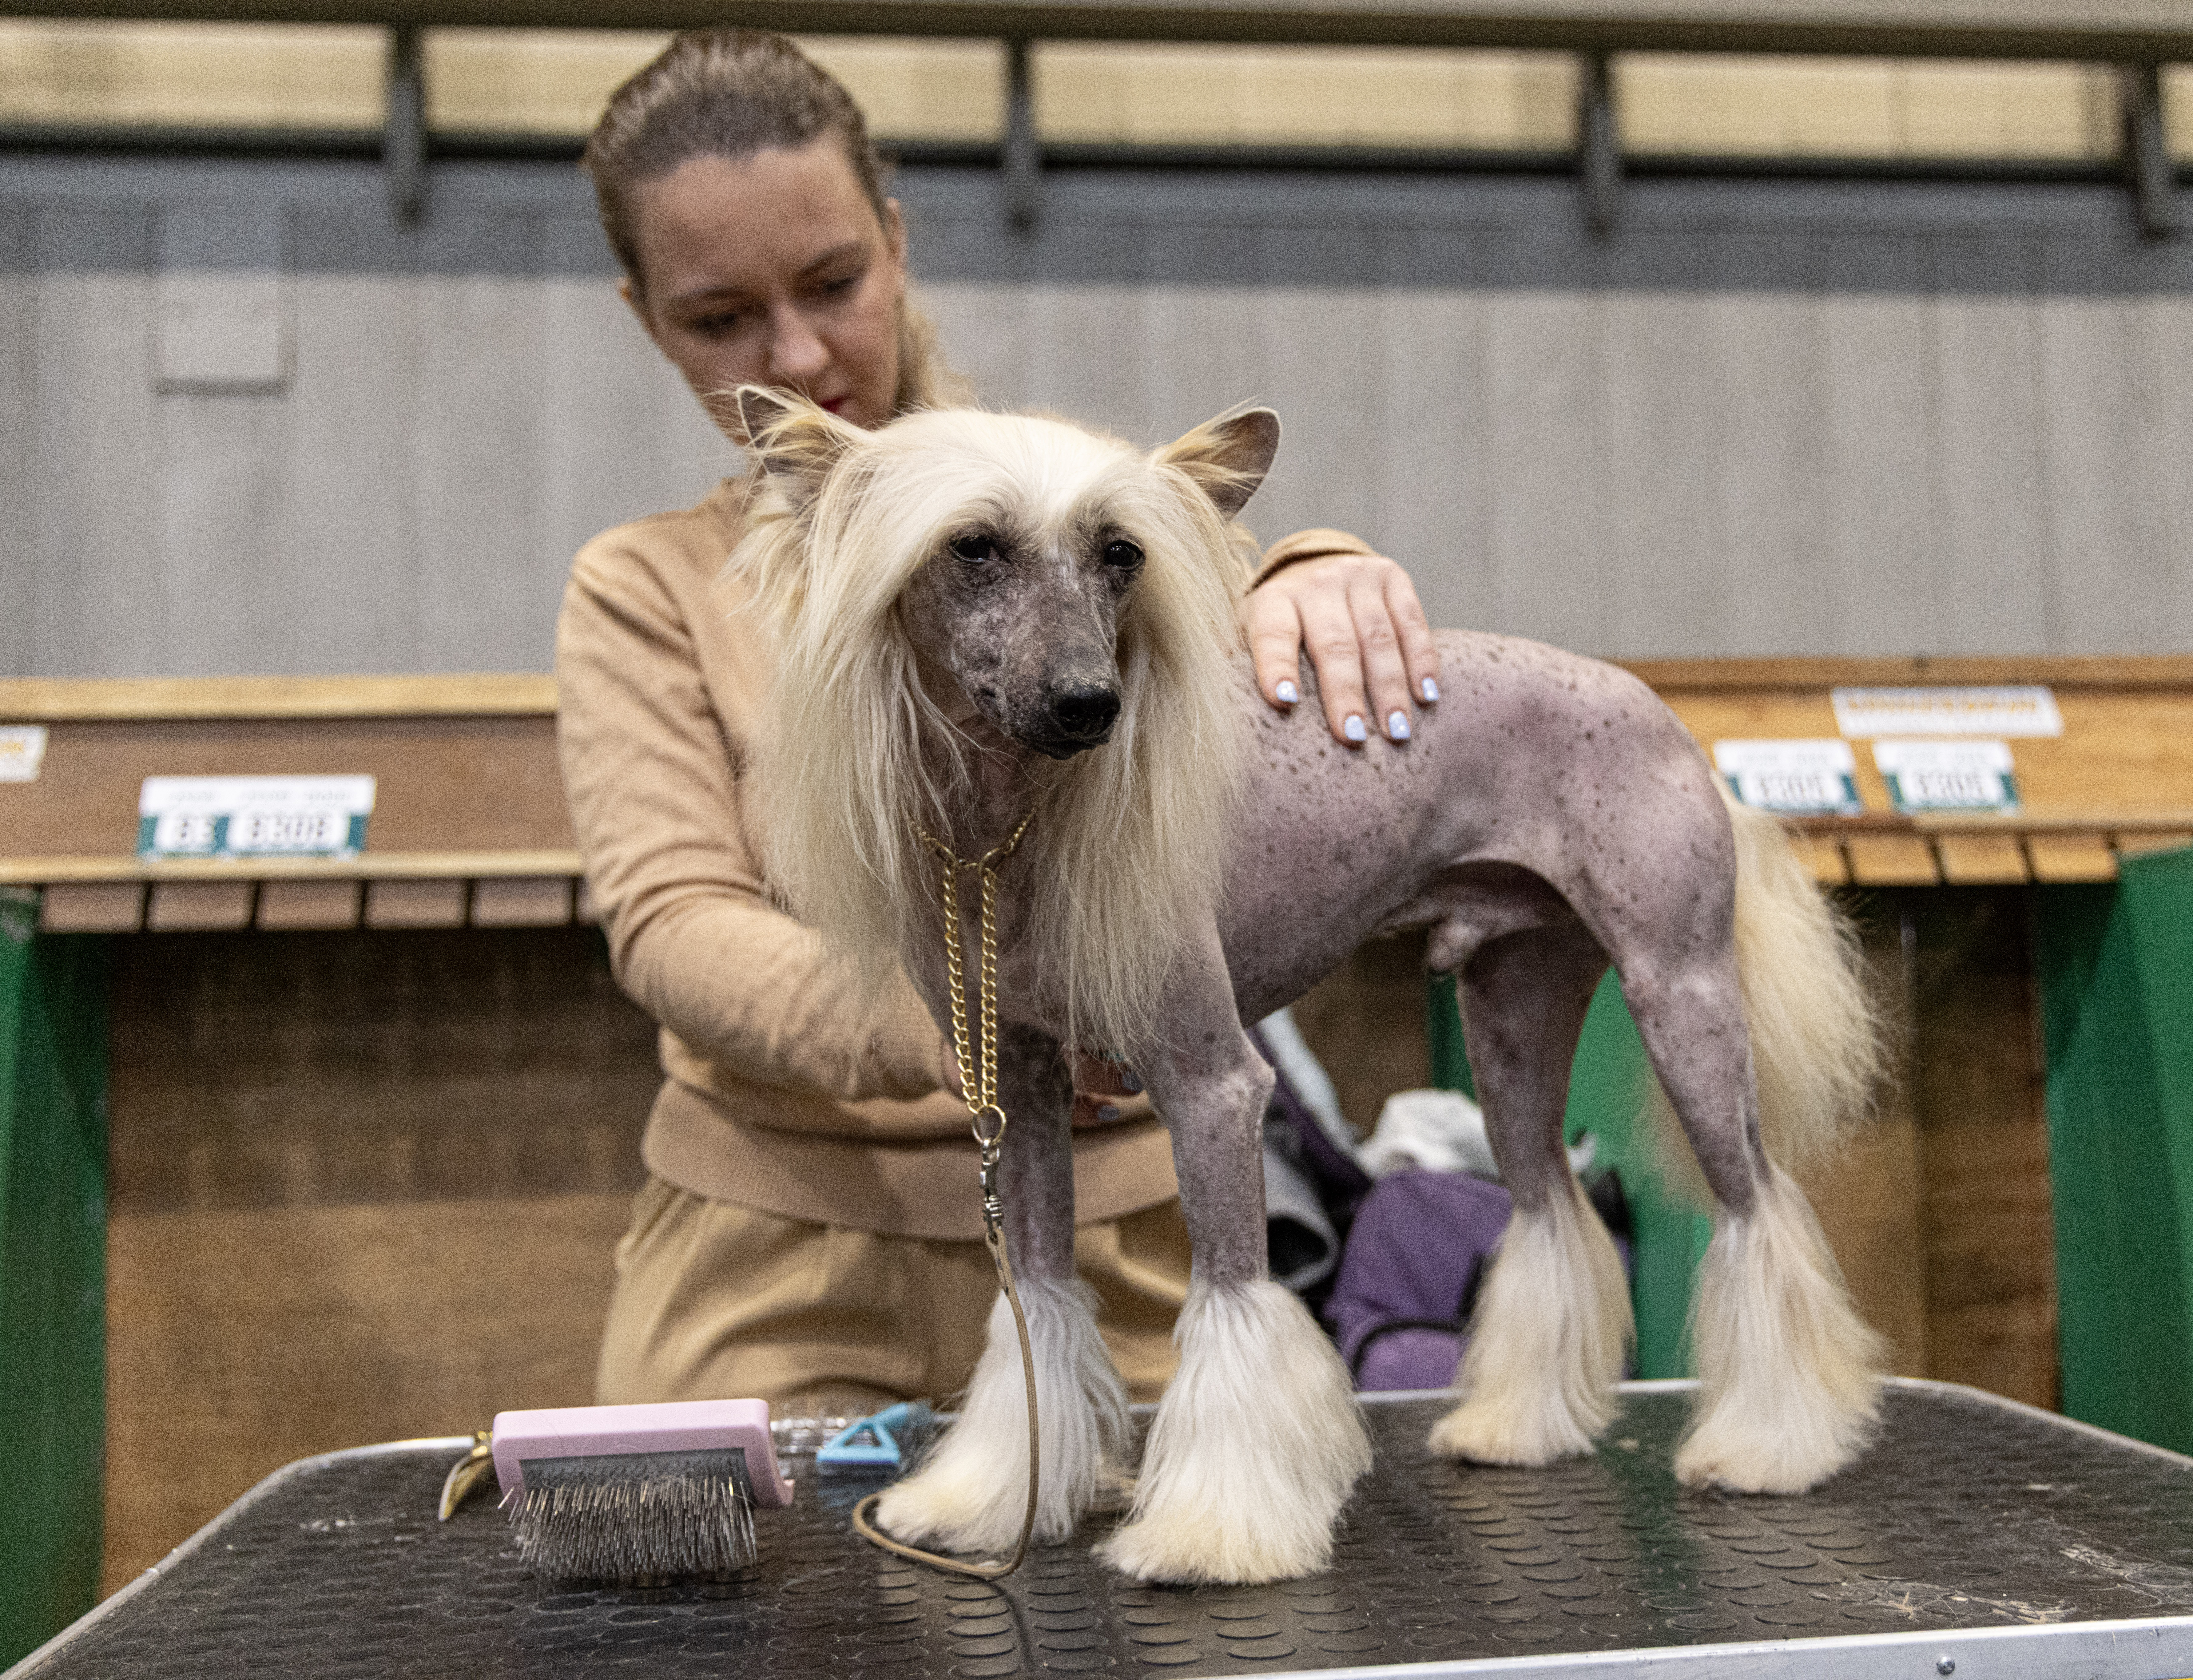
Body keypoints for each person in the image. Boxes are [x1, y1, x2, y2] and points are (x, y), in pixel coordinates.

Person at [557, 29, 1444, 1422]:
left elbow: (1195, 583)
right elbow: (672, 919)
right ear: (646, 314)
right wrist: (971, 1021)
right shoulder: (645, 587)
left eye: (834, 282)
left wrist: (1309, 567)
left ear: (895, 241)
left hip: (1127, 1242)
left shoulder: (1085, 504)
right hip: (774, 1271)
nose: (796, 353)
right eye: (720, 318)